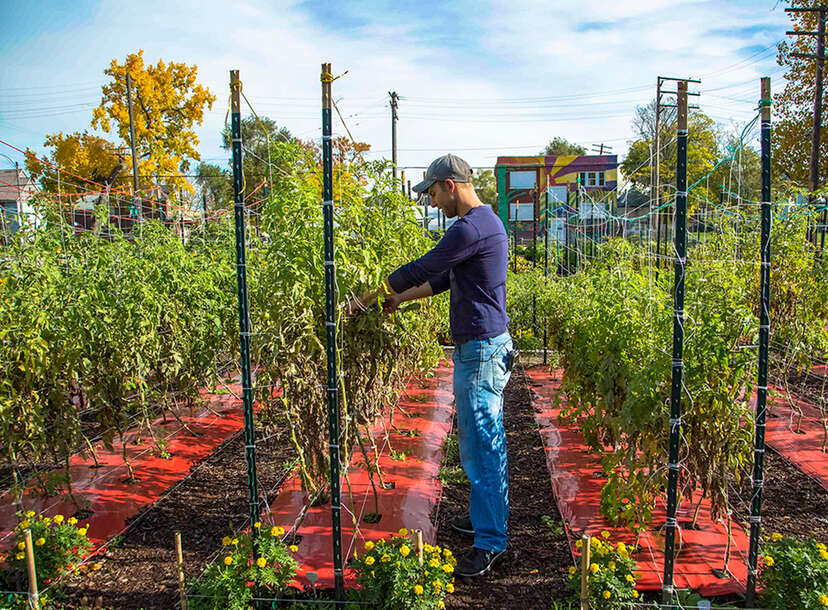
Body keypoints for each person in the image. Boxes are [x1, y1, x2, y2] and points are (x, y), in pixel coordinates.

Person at [347, 153, 513, 577]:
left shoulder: (469, 227)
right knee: (480, 444)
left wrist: (367, 297)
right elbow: (442, 280)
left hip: (480, 351)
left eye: (433, 192)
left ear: (450, 185)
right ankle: (485, 522)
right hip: (482, 349)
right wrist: (400, 299)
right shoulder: (486, 224)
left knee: (482, 448)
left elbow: (426, 266)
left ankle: (491, 541)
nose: (433, 202)